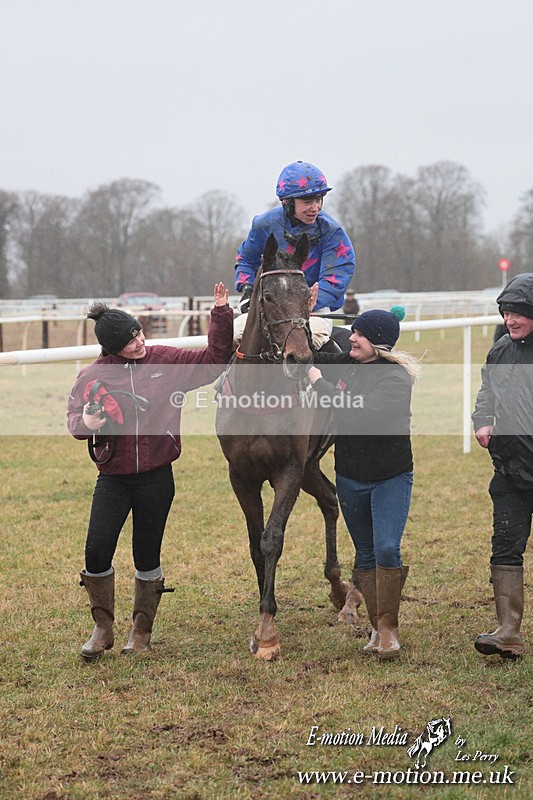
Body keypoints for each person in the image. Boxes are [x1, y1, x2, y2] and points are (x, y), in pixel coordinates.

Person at [67, 283, 233, 661]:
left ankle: (141, 631)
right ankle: (103, 627)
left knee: (147, 554)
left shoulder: (165, 361)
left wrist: (220, 313)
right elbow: (76, 423)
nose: (140, 342)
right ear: (111, 347)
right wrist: (89, 421)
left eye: (139, 332)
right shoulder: (92, 374)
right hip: (113, 479)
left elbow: (215, 358)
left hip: (157, 478)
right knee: (96, 551)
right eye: (130, 340)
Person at [307, 305, 420, 660]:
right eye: (352, 332)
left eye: (359, 334)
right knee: (366, 552)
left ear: (379, 342)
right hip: (351, 477)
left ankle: (388, 630)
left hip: (390, 477)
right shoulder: (348, 363)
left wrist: (317, 381)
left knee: (386, 548)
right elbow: (309, 352)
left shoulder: (395, 378)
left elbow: (356, 409)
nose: (351, 339)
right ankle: (376, 627)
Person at [471, 272, 533, 660]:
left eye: (519, 313)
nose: (510, 320)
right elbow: (486, 393)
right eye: (506, 312)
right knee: (505, 548)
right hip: (509, 472)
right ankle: (508, 631)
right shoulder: (500, 350)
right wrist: (482, 419)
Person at [234, 160, 355, 349]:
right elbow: (246, 260)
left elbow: (335, 278)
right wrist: (248, 289)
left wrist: (303, 303)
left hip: (313, 308)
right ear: (287, 202)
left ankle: (322, 379)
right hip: (269, 304)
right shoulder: (263, 225)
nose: (315, 207)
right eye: (307, 201)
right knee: (235, 335)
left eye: (318, 199)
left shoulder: (332, 232)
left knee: (313, 338)